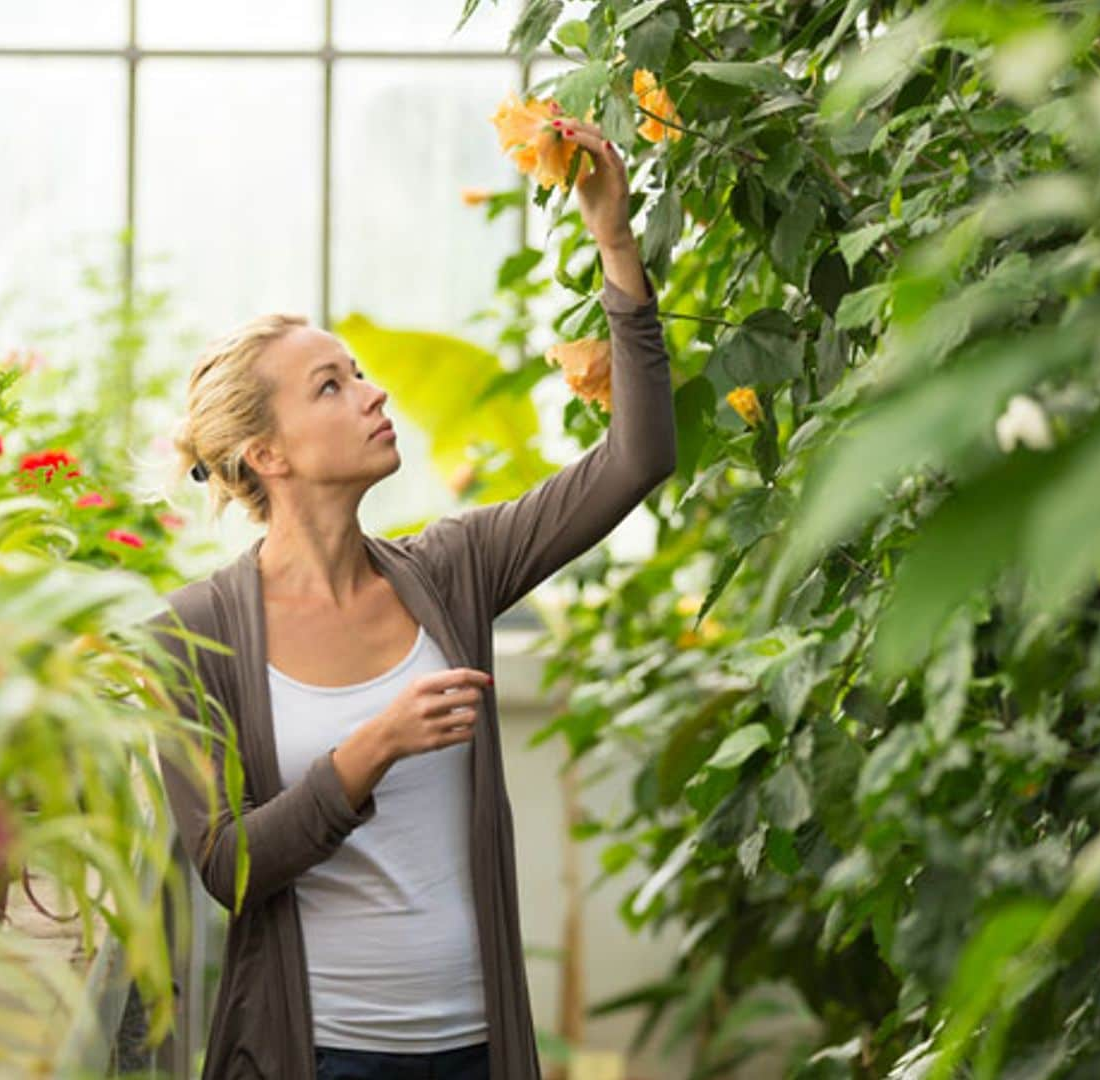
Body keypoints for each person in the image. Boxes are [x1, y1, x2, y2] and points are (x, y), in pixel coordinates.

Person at [142, 117, 676, 1080]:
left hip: (474, 1047)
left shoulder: (455, 568)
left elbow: (637, 458)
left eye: (359, 373)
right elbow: (229, 869)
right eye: (332, 386)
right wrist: (371, 747)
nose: (374, 394)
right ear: (268, 454)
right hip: (323, 1053)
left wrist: (616, 242)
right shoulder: (196, 634)